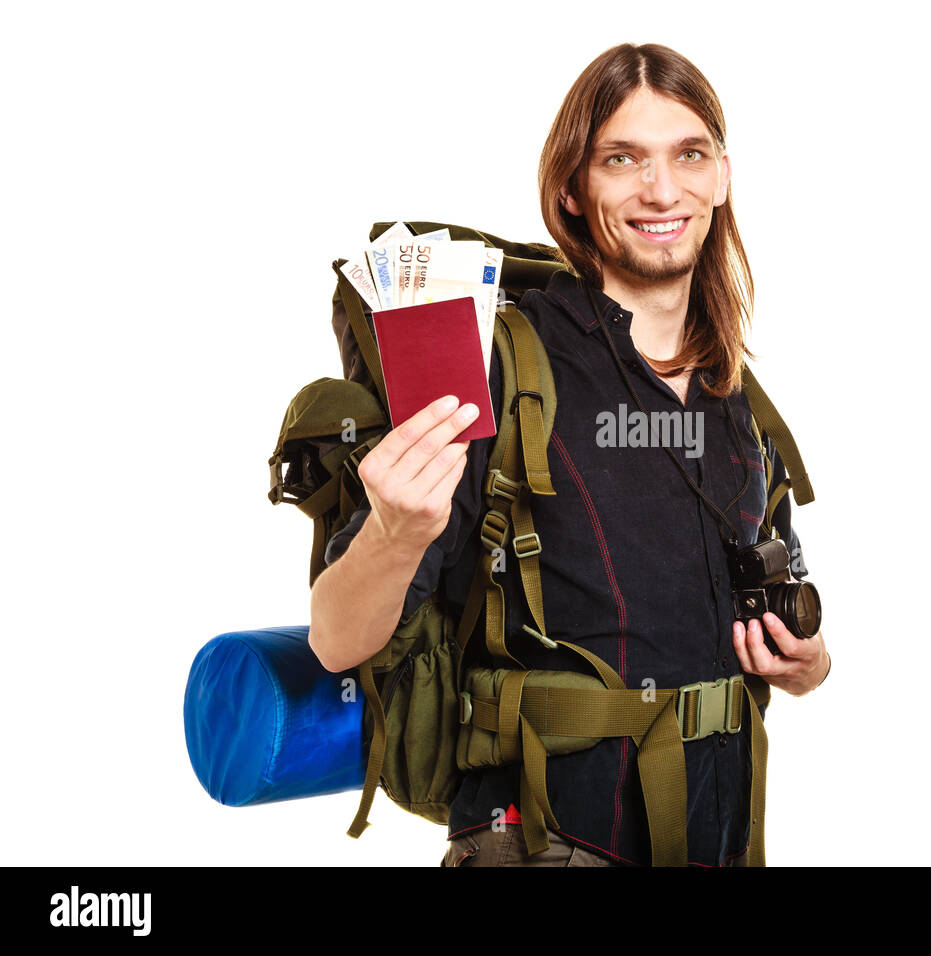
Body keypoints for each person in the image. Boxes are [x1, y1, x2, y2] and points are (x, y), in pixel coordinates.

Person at [308, 42, 831, 867]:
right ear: (572, 190)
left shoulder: (737, 396)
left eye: (687, 154)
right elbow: (335, 638)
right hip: (548, 841)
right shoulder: (496, 367)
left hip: (723, 835)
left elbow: (770, 601)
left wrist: (806, 664)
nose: (662, 190)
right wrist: (396, 531)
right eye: (622, 160)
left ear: (721, 176)